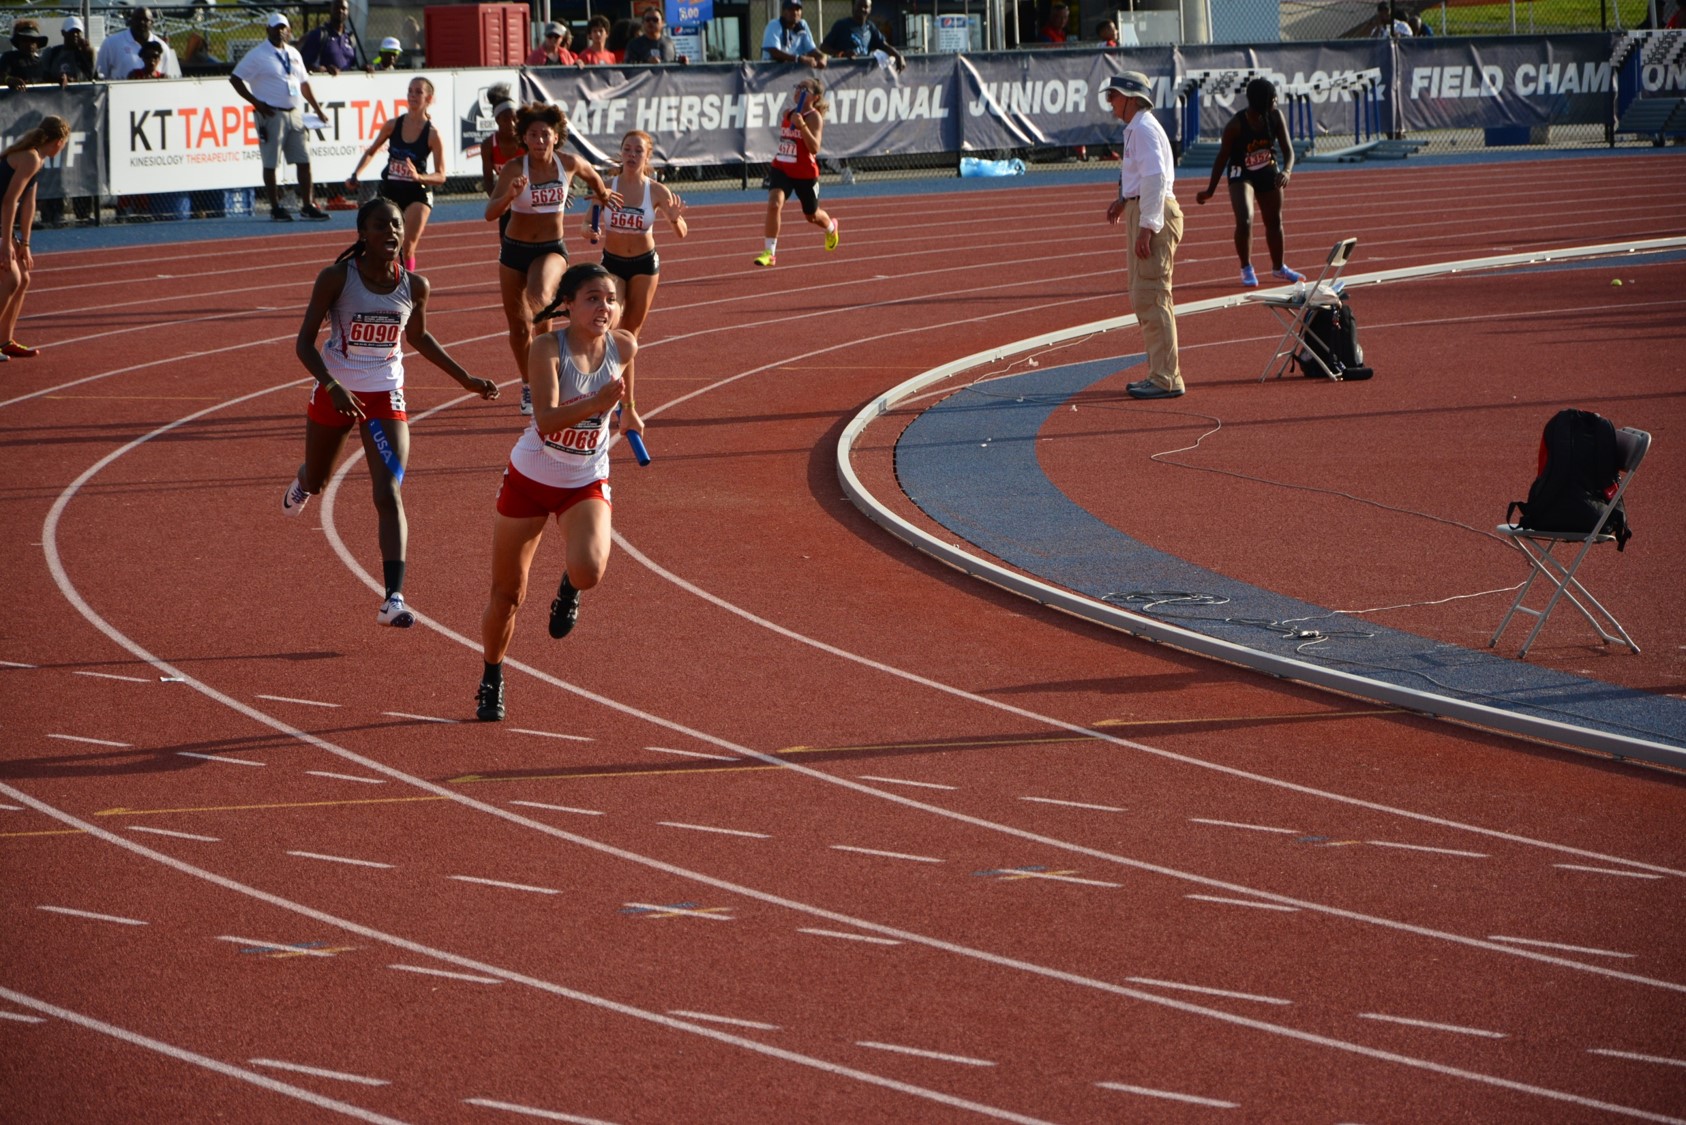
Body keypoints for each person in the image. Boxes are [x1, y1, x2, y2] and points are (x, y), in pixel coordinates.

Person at [284, 197, 499, 627]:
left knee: (389, 492)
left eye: (397, 226)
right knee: (320, 477)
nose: (392, 233)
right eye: (382, 226)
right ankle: (304, 482)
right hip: (335, 390)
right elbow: (304, 342)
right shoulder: (336, 279)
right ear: (363, 233)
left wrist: (466, 380)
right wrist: (331, 384)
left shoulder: (414, 286)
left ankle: (393, 598)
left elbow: (418, 336)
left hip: (385, 396)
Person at [476, 262, 638, 722]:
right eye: (592, 298)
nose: (603, 307)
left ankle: (569, 587)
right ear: (567, 305)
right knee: (508, 595)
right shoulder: (548, 346)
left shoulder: (623, 344)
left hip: (584, 479)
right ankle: (492, 675)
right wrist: (600, 404)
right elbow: (546, 421)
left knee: (588, 571)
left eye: (609, 299)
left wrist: (630, 412)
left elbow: (625, 384)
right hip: (530, 478)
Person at [485, 102, 618, 417]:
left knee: (541, 295)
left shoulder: (569, 164)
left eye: (545, 134)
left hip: (551, 249)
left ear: (556, 137)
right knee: (519, 329)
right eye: (533, 135)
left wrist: (601, 200)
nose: (540, 140)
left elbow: (597, 182)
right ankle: (531, 384)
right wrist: (510, 194)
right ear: (525, 138)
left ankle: (556, 359)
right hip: (513, 251)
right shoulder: (515, 169)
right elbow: (490, 213)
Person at [1102, 72, 1185, 400]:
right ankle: (1159, 373)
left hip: (1154, 213)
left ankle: (1167, 378)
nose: (1110, 103)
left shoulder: (1145, 129)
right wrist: (1124, 201)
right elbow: (1143, 175)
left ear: (1130, 97)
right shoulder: (1137, 129)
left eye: (1113, 96)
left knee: (1152, 295)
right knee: (1143, 295)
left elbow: (1155, 178)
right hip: (1144, 210)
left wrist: (1148, 227)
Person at [1195, 77, 1305, 289]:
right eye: (1273, 98)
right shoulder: (1236, 125)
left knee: (1274, 220)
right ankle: (1246, 267)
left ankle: (1279, 267)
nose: (1276, 101)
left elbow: (1288, 150)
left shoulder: (1275, 116)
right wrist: (1210, 190)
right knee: (1245, 220)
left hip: (1267, 168)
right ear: (1263, 102)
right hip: (1241, 172)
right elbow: (1222, 158)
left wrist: (1287, 171)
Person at [585, 130, 687, 339]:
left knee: (630, 333)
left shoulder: (657, 191)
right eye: (627, 150)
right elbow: (587, 223)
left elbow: (682, 233)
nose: (632, 155)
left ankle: (623, 374)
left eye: (638, 151)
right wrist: (589, 230)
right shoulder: (605, 187)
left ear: (647, 156)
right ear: (621, 154)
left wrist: (675, 219)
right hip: (613, 262)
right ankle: (609, 371)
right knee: (608, 324)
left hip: (644, 265)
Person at [231, 13, 332, 222]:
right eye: (275, 28)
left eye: (283, 28)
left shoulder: (294, 53)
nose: (280, 31)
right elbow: (235, 78)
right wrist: (256, 103)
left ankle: (307, 205)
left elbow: (303, 83)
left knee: (303, 160)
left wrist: (317, 109)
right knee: (271, 162)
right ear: (267, 30)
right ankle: (275, 207)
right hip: (271, 114)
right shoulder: (258, 54)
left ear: (289, 30)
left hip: (294, 113)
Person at [345, 76, 445, 271]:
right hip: (391, 191)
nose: (412, 95)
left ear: (429, 98)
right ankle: (379, 282)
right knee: (378, 242)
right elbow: (371, 151)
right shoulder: (393, 125)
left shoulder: (432, 134)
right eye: (410, 91)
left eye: (418, 92)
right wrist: (356, 174)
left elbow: (441, 176)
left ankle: (407, 286)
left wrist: (419, 177)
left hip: (417, 193)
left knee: (406, 246)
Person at [0, 115, 68, 361]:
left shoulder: (37, 159)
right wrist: (7, 244)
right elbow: (9, 202)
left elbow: (29, 203)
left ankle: (5, 340)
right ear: (59, 142)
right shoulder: (30, 157)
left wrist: (25, 244)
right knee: (11, 278)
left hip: (2, 222)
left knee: (24, 277)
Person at [754, 78, 840, 267]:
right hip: (782, 167)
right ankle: (770, 252)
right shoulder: (787, 113)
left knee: (812, 215)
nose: (798, 90)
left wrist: (802, 126)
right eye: (797, 87)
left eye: (804, 89)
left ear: (815, 97)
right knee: (774, 204)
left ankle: (831, 227)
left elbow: (814, 148)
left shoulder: (813, 117)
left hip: (805, 173)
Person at [95, 7, 180, 79]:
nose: (141, 22)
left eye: (145, 20)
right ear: (131, 21)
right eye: (137, 19)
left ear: (152, 23)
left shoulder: (162, 47)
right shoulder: (111, 43)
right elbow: (100, 76)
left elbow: (168, 80)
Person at [822, 0, 904, 70]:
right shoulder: (841, 25)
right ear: (854, 7)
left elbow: (884, 45)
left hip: (862, 75)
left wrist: (898, 56)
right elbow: (823, 47)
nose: (862, 9)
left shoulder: (871, 27)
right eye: (859, 6)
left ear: (870, 9)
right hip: (841, 72)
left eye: (865, 6)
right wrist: (841, 54)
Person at [300, 0, 359, 74]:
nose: (340, 11)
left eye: (343, 8)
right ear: (330, 10)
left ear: (348, 12)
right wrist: (323, 70)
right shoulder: (319, 34)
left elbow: (352, 66)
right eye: (336, 7)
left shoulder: (350, 37)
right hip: (325, 83)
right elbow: (303, 64)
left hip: (346, 84)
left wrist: (363, 69)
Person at [479, 92, 521, 197]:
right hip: (505, 195)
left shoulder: (526, 141)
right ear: (497, 120)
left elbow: (542, 169)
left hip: (529, 194)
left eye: (514, 119)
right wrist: (496, 202)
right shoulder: (488, 145)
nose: (512, 124)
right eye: (506, 119)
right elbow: (488, 180)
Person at [763, 0, 826, 67]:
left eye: (798, 9)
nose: (795, 12)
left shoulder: (802, 25)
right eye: (790, 9)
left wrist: (822, 56)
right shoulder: (774, 25)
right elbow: (774, 53)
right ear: (783, 12)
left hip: (793, 71)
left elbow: (811, 50)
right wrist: (798, 58)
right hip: (771, 70)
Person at [1, 19, 52, 90]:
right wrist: (9, 80)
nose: (29, 44)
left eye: (33, 40)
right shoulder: (9, 58)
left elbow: (50, 80)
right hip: (13, 99)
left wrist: (61, 79)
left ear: (37, 43)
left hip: (40, 100)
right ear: (18, 41)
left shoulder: (41, 62)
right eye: (25, 39)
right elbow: (1, 76)